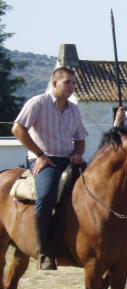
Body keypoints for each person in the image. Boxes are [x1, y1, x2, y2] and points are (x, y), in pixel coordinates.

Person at [12, 66, 88, 270]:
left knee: (96, 188)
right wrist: (40, 155)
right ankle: (45, 251)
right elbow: (18, 129)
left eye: (74, 83)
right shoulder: (38, 103)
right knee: (46, 198)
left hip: (69, 160)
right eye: (67, 82)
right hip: (45, 160)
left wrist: (78, 154)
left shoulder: (74, 109)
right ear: (55, 83)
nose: (72, 86)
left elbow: (80, 139)